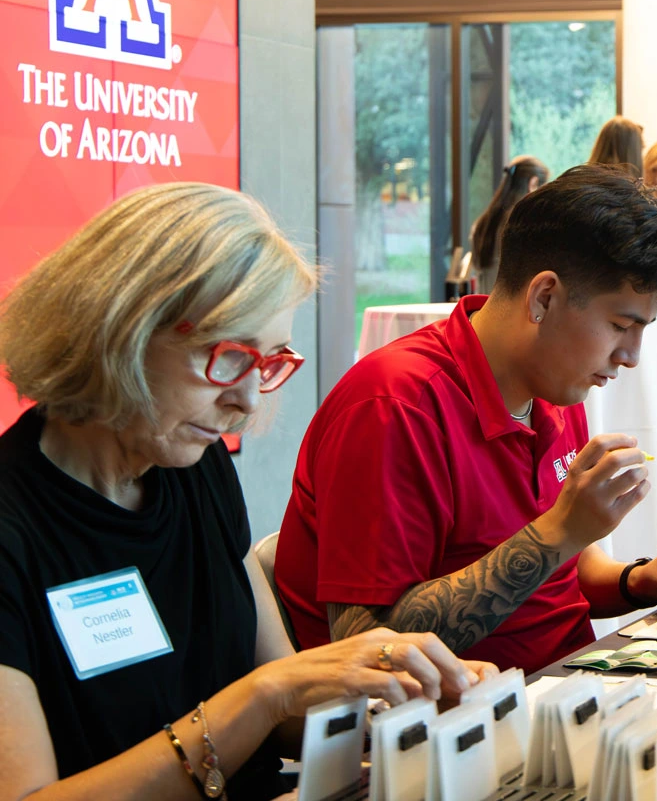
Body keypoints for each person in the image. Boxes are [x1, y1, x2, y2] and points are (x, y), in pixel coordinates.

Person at [0, 184, 492, 801]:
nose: (248, 399)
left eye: (269, 362)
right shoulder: (14, 530)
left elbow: (280, 710)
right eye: (229, 358)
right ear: (119, 329)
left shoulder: (194, 467)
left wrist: (394, 703)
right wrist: (261, 698)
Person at [276, 166, 657, 674]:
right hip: (455, 728)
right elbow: (369, 645)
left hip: (570, 690)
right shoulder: (394, 406)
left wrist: (640, 578)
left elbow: (554, 577)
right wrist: (559, 531)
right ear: (544, 298)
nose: (631, 356)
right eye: (620, 325)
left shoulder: (555, 392)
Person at [467, 154, 550, 292]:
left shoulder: (484, 223)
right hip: (510, 309)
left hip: (484, 306)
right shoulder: (523, 223)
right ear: (533, 183)